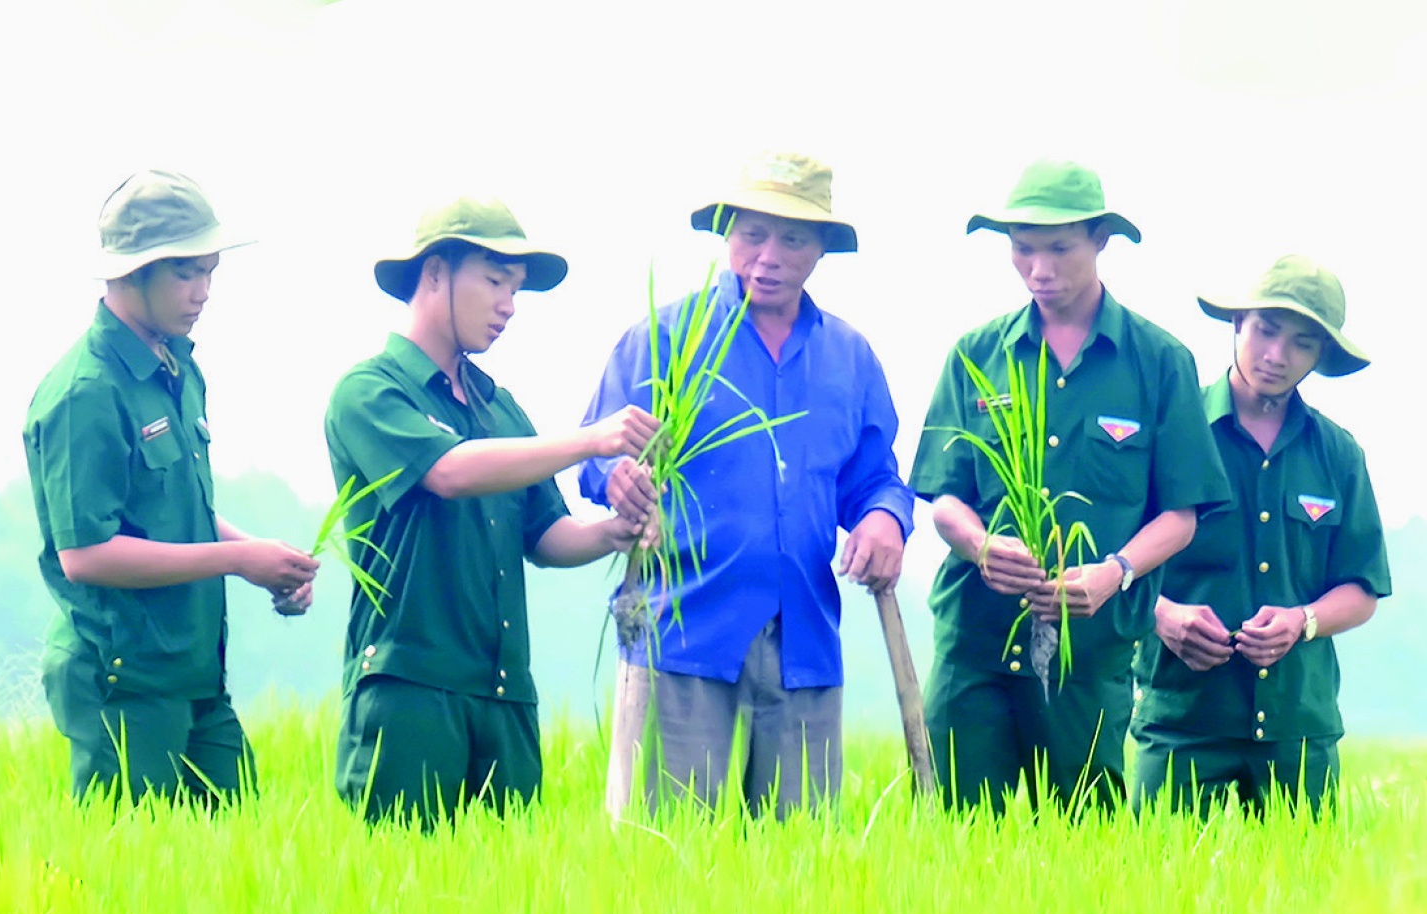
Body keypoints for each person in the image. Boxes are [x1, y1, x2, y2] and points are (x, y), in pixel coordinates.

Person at [579, 150, 914, 819]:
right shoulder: (668, 337)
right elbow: (598, 454)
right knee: (669, 849)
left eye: (792, 239)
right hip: (684, 634)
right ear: (727, 235)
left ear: (821, 249)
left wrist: (883, 518)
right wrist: (621, 480)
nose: (768, 257)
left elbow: (875, 477)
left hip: (805, 641)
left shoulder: (848, 357)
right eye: (752, 234)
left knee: (802, 856)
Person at [324, 194, 659, 827]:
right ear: (434, 273)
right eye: (495, 281)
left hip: (505, 697)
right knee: (401, 877)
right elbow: (448, 472)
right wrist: (592, 440)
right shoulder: (369, 392)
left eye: (516, 289)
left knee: (505, 881)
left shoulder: (500, 409)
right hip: (411, 689)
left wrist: (616, 531)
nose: (508, 304)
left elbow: (547, 535)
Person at [909, 159, 1230, 815]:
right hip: (975, 642)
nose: (1039, 269)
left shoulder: (1159, 361)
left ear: (1100, 240)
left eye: (1059, 249)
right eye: (1022, 249)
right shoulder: (977, 354)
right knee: (955, 839)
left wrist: (1115, 572)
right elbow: (944, 496)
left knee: (1083, 839)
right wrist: (980, 546)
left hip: (1089, 650)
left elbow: (1181, 515)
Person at [24, 170, 319, 804]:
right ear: (133, 272)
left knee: (242, 843)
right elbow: (86, 555)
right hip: (122, 679)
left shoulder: (178, 367)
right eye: (186, 273)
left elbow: (180, 509)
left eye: (210, 272)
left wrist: (263, 560)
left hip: (195, 672)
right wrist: (237, 560)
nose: (203, 292)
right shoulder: (86, 393)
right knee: (130, 860)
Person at [1132, 256, 1390, 816]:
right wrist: (1163, 615)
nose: (1276, 355)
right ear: (1237, 323)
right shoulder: (1171, 433)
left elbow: (1362, 589)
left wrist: (1303, 621)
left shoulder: (1339, 455)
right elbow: (1112, 563)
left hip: (1298, 726)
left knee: (1303, 875)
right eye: (1266, 331)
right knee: (1156, 869)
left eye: (1301, 343)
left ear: (1321, 355)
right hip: (1181, 716)